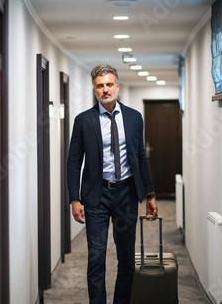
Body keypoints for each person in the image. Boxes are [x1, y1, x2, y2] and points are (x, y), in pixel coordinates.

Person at [67, 64, 157, 303]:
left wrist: (150, 194)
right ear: (94, 89)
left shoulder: (134, 117)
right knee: (96, 258)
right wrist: (74, 199)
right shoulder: (83, 120)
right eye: (100, 86)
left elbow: (140, 157)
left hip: (126, 195)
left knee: (126, 259)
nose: (105, 90)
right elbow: (73, 161)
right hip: (96, 197)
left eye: (109, 84)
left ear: (117, 86)